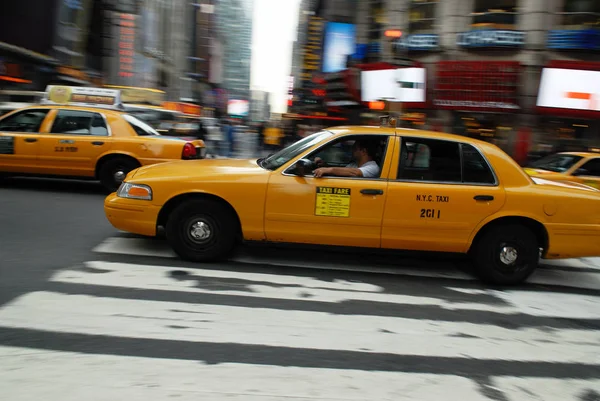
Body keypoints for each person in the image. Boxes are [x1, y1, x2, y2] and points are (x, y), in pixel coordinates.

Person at [313, 140, 380, 178]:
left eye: (354, 148)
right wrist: (324, 166)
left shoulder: (373, 167)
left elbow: (355, 173)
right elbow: (341, 172)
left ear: (363, 151)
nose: (352, 151)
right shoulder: (353, 165)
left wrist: (329, 170)